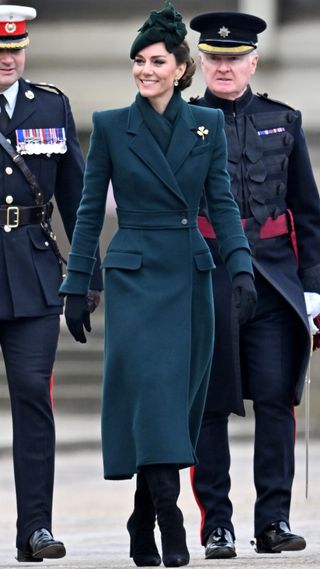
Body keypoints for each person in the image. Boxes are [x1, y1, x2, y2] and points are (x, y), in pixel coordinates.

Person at [60, 2, 257, 566]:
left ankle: (143, 510)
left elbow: (221, 201)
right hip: (135, 277)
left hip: (190, 276)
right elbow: (89, 211)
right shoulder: (110, 126)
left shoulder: (208, 124)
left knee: (177, 399)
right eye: (137, 61)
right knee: (148, 393)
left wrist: (239, 266)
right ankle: (168, 510)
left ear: (180, 68)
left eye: (155, 61)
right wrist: (77, 283)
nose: (144, 69)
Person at [189, 10, 320, 559]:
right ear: (200, 62)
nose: (225, 66)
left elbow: (308, 213)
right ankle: (217, 524)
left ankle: (273, 519)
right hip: (209, 276)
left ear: (253, 62)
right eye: (215, 58)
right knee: (210, 407)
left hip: (270, 277)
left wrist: (313, 288)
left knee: (274, 399)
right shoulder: (181, 121)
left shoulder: (283, 121)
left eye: (234, 58)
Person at [0, 4, 102, 563]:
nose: (7, 58)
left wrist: (87, 273)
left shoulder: (51, 105)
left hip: (34, 274)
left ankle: (35, 528)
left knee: (34, 400)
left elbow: (79, 199)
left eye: (15, 48)